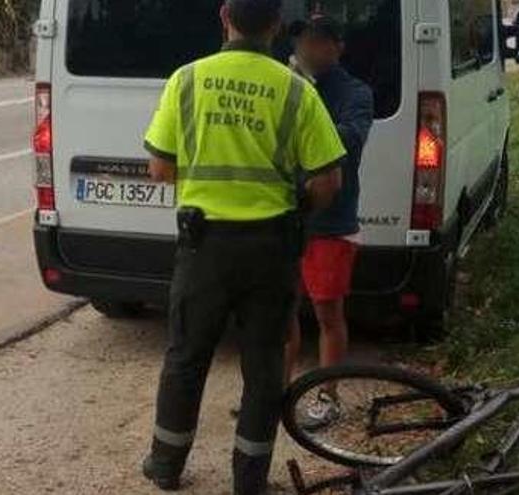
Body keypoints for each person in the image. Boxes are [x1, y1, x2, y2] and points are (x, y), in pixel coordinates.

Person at [141, 1, 346, 493]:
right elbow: (328, 181)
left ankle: (166, 466)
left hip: (203, 248)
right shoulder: (296, 90)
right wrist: (295, 209)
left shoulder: (186, 81)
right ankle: (248, 480)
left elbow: (160, 168)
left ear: (223, 15)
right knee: (264, 366)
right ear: (276, 25)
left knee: (186, 358)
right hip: (270, 251)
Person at [284, 15, 374, 430]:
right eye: (303, 41)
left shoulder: (356, 92)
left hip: (332, 222)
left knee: (327, 314)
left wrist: (307, 98)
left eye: (318, 41)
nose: (308, 49)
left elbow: (347, 140)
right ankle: (275, 390)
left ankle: (327, 396)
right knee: (282, 312)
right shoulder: (289, 86)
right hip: (286, 219)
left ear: (337, 46)